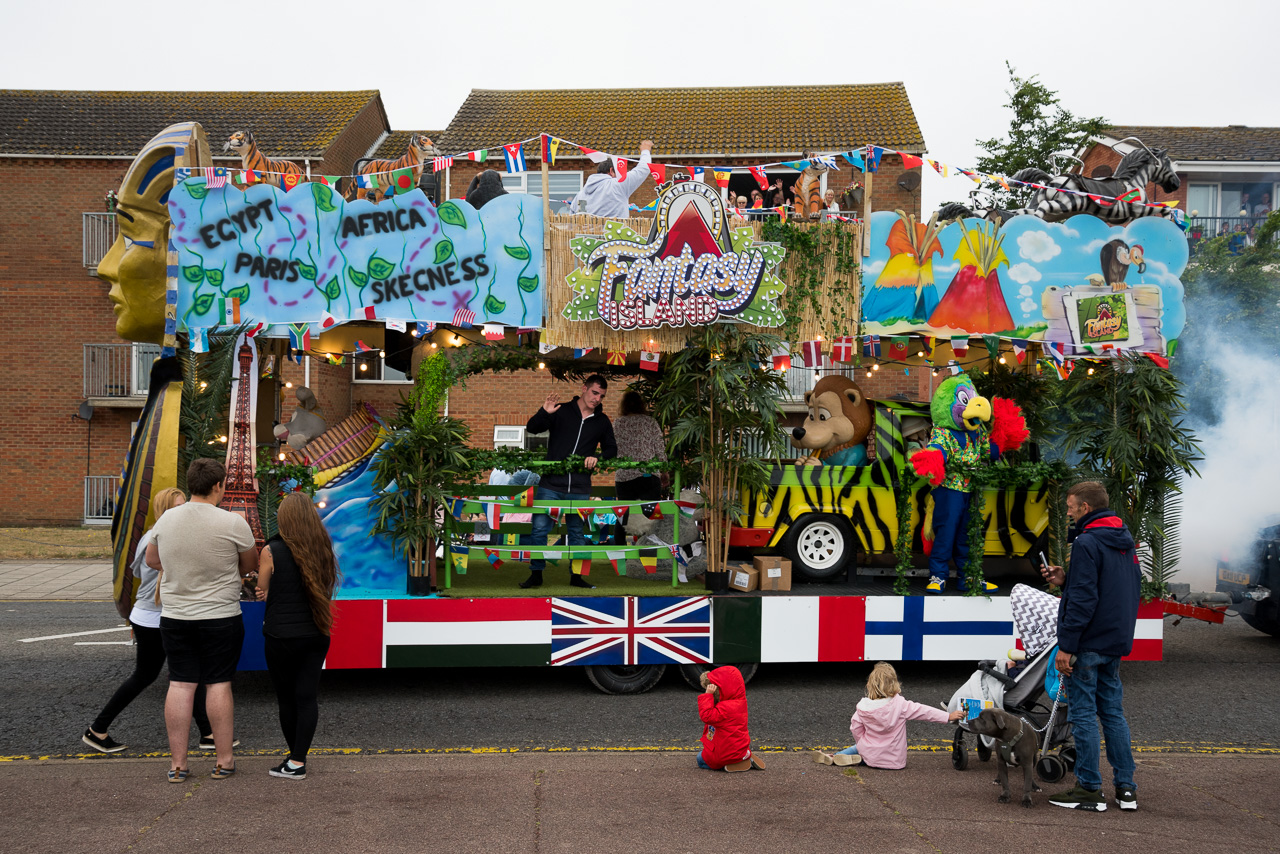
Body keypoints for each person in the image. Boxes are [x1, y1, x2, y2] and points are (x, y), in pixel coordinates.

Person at [82, 488, 222, 754]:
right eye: (176, 506)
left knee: (185, 674)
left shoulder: (155, 534)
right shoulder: (160, 536)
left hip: (154, 615)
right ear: (163, 509)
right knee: (158, 675)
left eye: (184, 506)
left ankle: (208, 733)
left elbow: (138, 570)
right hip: (154, 618)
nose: (182, 511)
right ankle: (98, 729)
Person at [147, 458, 258, 782]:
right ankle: (224, 761)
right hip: (220, 616)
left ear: (191, 483)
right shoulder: (233, 522)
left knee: (180, 684)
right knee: (218, 683)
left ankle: (178, 765)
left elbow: (153, 559)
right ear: (218, 486)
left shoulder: (167, 520)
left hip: (176, 615)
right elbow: (248, 564)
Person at [1040, 481, 1139, 812]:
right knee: (1112, 712)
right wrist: (1064, 579)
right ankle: (1126, 790)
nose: (1067, 511)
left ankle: (1089, 790)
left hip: (1087, 642)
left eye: (1070, 506)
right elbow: (1114, 587)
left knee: (1082, 714)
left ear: (1085, 508)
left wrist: (1066, 646)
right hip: (1115, 639)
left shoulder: (1086, 541)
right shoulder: (1123, 539)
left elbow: (1084, 598)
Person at [255, 493, 339, 780]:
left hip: (281, 636)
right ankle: (297, 759)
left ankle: (295, 760)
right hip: (316, 633)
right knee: (306, 697)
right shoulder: (322, 547)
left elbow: (262, 587)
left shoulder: (271, 550)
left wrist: (262, 588)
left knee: (286, 699)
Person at [520, 375, 617, 589]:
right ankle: (536, 574)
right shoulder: (561, 410)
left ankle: (576, 577)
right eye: (594, 393)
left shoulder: (602, 421)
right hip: (550, 485)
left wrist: (598, 458)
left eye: (601, 396)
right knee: (539, 530)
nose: (597, 399)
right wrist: (544, 411)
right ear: (584, 388)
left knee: (577, 533)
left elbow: (612, 449)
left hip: (580, 488)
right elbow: (532, 428)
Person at [812, 662, 962, 769]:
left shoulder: (863, 708)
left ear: (870, 685)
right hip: (894, 761)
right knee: (864, 750)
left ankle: (836, 756)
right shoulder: (900, 705)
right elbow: (923, 711)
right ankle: (853, 759)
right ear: (894, 684)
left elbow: (855, 727)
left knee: (858, 747)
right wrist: (947, 716)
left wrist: (862, 744)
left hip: (869, 754)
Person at [611, 391, 668, 546]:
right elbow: (659, 448)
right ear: (641, 404)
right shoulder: (650, 422)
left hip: (624, 477)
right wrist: (664, 471)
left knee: (622, 515)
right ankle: (647, 552)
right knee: (650, 517)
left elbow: (611, 450)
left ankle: (621, 554)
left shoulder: (617, 423)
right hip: (648, 476)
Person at [696, 666, 764, 771]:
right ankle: (744, 755)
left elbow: (706, 716)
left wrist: (708, 695)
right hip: (739, 747)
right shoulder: (740, 702)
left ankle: (731, 762)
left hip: (724, 753)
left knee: (700, 758)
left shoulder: (724, 708)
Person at [572, 141, 654, 218]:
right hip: (613, 232)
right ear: (611, 171)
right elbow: (643, 169)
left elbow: (573, 218)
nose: (619, 176)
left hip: (585, 233)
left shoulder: (580, 195)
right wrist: (645, 150)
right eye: (618, 173)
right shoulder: (617, 184)